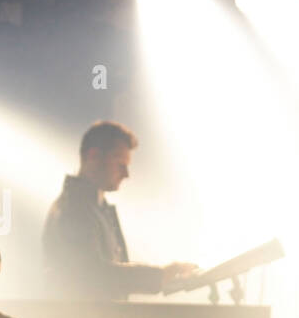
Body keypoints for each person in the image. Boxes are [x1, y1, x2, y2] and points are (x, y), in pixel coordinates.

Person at [42, 121, 199, 299]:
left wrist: (162, 277)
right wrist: (160, 275)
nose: (126, 174)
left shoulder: (92, 207)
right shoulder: (74, 208)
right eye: (120, 164)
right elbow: (91, 275)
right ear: (93, 156)